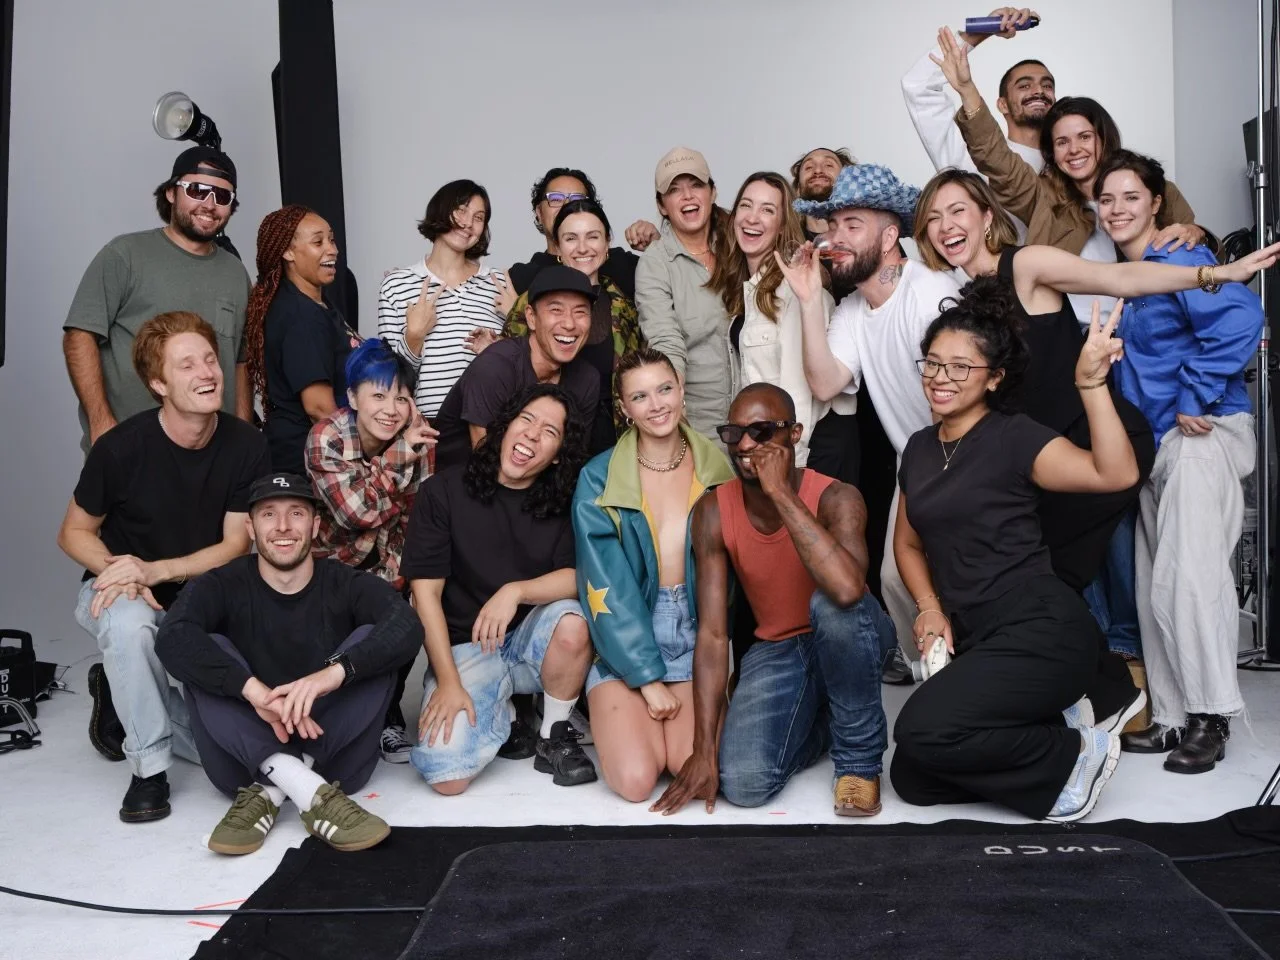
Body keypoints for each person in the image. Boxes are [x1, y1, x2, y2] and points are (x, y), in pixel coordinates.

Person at [913, 168, 1278, 701]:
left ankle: (1129, 683)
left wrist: (1214, 274)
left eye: (957, 211)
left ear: (988, 216)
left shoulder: (1027, 264)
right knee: (1035, 573)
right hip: (1044, 460)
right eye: (933, 219)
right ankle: (1097, 684)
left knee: (1057, 572)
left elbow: (1120, 281)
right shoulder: (967, 303)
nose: (946, 226)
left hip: (1095, 438)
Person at [891, 282, 1140, 822]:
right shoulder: (917, 448)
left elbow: (1114, 472)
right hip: (981, 637)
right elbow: (907, 543)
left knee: (919, 730)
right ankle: (1061, 722)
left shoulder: (1016, 437)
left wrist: (1090, 384)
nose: (941, 378)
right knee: (911, 776)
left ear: (994, 379)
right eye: (932, 364)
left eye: (961, 368)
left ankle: (1076, 757)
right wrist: (930, 607)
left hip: (1041, 627)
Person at [55, 311, 270, 822]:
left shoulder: (246, 445)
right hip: (125, 593)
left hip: (202, 593)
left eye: (210, 359)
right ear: (158, 383)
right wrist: (124, 571)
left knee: (241, 744)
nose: (207, 372)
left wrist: (155, 569)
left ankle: (123, 688)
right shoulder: (120, 448)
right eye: (187, 364)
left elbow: (236, 544)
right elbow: (72, 533)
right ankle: (148, 770)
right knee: (130, 627)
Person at [1095, 151, 1270, 773]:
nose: (1117, 210)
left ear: (1156, 204)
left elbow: (1245, 315)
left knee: (1190, 579)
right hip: (1155, 445)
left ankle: (1211, 716)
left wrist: (1197, 391)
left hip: (1200, 435)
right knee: (1153, 584)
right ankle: (1170, 717)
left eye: (1130, 198)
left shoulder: (1181, 259)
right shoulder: (1132, 273)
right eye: (1106, 200)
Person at [651, 383, 897, 817]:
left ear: (795, 434)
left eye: (762, 431)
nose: (746, 444)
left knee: (831, 606)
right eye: (734, 433)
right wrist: (703, 749)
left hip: (851, 637)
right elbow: (711, 635)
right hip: (780, 648)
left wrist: (781, 493)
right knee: (743, 784)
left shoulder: (838, 497)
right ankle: (829, 719)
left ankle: (858, 762)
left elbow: (846, 590)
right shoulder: (711, 512)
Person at [155, 473, 422, 855]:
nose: (282, 527)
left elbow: (407, 626)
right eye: (268, 515)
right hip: (240, 763)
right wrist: (254, 691)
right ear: (250, 527)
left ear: (315, 525)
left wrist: (329, 676)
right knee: (204, 648)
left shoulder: (344, 582)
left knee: (370, 645)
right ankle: (310, 792)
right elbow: (172, 637)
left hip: (338, 758)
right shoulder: (221, 583)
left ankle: (274, 788)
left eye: (296, 513)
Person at [780, 163, 962, 672]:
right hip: (918, 465)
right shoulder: (854, 310)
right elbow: (825, 382)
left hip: (962, 458)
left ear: (888, 236)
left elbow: (971, 390)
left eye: (850, 225)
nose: (834, 238)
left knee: (955, 582)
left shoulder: (930, 292)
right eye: (832, 226)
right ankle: (939, 683)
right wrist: (811, 300)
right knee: (894, 581)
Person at [403, 385, 597, 791]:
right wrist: (450, 682)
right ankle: (507, 716)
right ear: (504, 427)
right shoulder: (442, 492)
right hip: (467, 650)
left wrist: (516, 591)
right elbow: (424, 595)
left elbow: (580, 578)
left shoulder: (564, 501)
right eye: (525, 420)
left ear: (558, 453)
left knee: (575, 622)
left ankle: (552, 735)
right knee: (446, 777)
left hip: (532, 646)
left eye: (549, 431)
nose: (531, 434)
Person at [934, 24, 1203, 317]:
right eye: (1062, 142)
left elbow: (1203, 254)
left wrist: (1196, 232)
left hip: (1145, 329)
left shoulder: (1150, 187)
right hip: (1065, 336)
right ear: (1052, 151)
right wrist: (967, 90)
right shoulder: (1044, 197)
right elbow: (997, 160)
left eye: (1084, 137)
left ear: (1103, 137)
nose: (1074, 149)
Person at [572, 348, 735, 802]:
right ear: (623, 409)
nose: (657, 404)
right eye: (640, 396)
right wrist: (645, 678)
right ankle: (618, 699)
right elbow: (606, 585)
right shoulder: (598, 479)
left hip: (698, 633)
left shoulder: (719, 470)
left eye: (665, 389)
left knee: (689, 767)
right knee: (636, 780)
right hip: (627, 632)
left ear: (681, 390)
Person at [63, 147, 251, 452]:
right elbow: (79, 336)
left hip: (214, 456)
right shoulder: (124, 255)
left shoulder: (235, 273)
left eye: (222, 196)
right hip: (131, 448)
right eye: (198, 190)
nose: (210, 204)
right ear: (170, 193)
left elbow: (241, 361)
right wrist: (101, 422)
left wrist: (243, 435)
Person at [305, 338, 437, 763]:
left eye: (401, 397)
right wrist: (398, 457)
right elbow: (354, 514)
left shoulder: (419, 440)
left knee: (412, 609)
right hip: (327, 569)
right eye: (378, 395)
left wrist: (398, 585)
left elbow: (413, 522)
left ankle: (388, 714)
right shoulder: (326, 437)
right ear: (352, 397)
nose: (391, 409)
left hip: (386, 564)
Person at [708, 171, 856, 478]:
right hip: (770, 446)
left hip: (806, 452)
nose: (752, 218)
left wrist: (791, 463)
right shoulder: (747, 288)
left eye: (767, 210)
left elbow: (798, 391)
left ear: (780, 226)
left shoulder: (791, 291)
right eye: (746, 206)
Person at [499, 198, 647, 452]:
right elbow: (507, 373)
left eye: (592, 237)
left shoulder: (625, 305)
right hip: (545, 440)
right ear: (557, 246)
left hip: (615, 442)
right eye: (570, 238)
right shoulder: (532, 301)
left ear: (607, 241)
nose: (582, 248)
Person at [431, 265, 601, 470]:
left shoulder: (587, 378)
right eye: (556, 310)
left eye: (580, 312)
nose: (569, 324)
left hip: (535, 486)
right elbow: (487, 463)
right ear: (531, 317)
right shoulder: (495, 366)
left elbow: (573, 460)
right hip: (464, 484)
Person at [377, 180, 515, 421]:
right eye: (461, 210)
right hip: (427, 426)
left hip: (491, 422)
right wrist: (414, 337)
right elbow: (387, 377)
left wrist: (515, 321)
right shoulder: (397, 285)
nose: (468, 223)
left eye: (479, 217)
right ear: (440, 210)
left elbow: (525, 365)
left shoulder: (499, 283)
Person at [245, 205, 361, 477]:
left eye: (331, 239)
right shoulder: (300, 315)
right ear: (288, 252)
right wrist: (359, 457)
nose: (332, 249)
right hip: (308, 458)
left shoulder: (316, 303)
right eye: (318, 241)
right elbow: (318, 407)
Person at [635, 147, 733, 441]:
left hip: (755, 416)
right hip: (699, 424)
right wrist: (673, 412)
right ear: (662, 205)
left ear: (712, 192)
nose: (687, 196)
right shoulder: (655, 262)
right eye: (675, 190)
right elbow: (665, 341)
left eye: (696, 185)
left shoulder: (740, 245)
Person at [901, 8, 1052, 178]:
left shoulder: (1073, 160)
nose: (1039, 91)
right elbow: (918, 85)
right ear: (1003, 105)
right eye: (1024, 86)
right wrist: (980, 33)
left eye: (1047, 86)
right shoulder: (972, 160)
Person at [508, 167, 659, 296]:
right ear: (539, 213)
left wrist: (658, 247)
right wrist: (515, 313)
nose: (567, 205)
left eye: (577, 199)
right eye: (555, 198)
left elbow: (675, 291)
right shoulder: (522, 278)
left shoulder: (620, 263)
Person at [790, 147, 857, 239]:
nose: (818, 170)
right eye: (809, 167)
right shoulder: (788, 243)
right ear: (798, 188)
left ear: (848, 182)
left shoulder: (865, 239)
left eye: (828, 165)